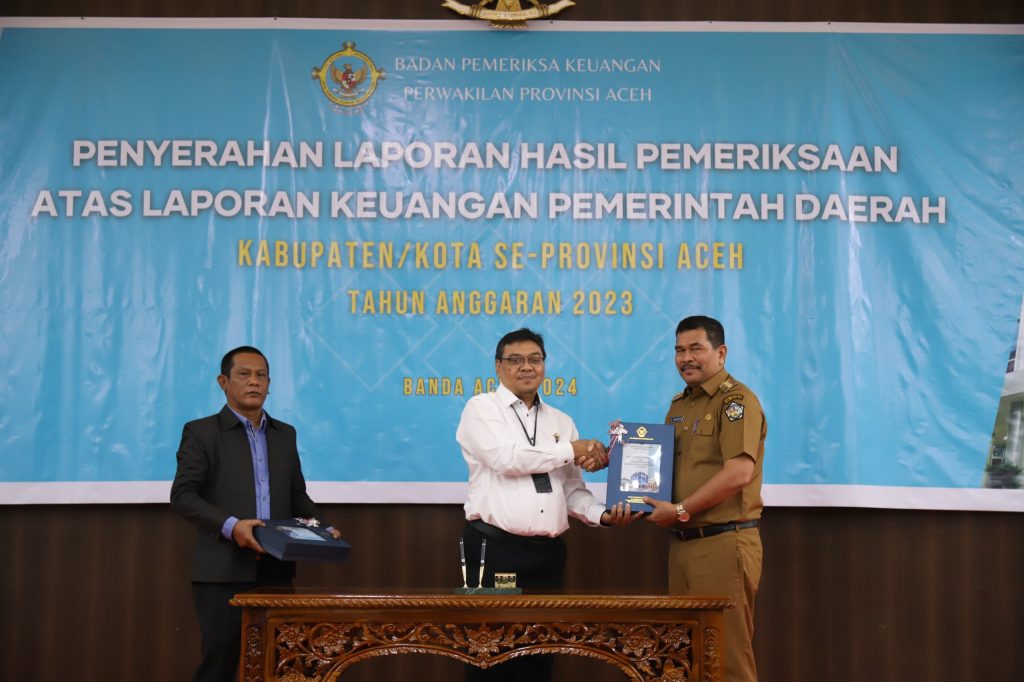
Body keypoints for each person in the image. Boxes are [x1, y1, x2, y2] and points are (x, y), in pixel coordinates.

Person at [456, 327, 638, 682]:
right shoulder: (481, 408)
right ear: (498, 367)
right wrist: (573, 449)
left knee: (540, 654)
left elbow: (570, 489)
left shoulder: (561, 421)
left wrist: (603, 515)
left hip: (547, 555)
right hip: (495, 550)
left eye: (535, 359)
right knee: (490, 654)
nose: (527, 367)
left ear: (544, 365)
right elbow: (507, 458)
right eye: (515, 360)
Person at [170, 346, 340, 682]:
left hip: (276, 568)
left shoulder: (285, 434)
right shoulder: (201, 432)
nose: (254, 382)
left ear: (269, 384)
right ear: (223, 382)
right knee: (219, 667)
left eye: (261, 376)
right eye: (244, 375)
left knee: (279, 664)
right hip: (222, 571)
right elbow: (183, 495)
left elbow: (296, 496)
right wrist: (233, 527)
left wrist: (323, 528)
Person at [641, 316, 767, 682]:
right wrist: (615, 460)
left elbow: (738, 473)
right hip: (683, 544)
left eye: (696, 348)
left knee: (726, 658)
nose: (686, 358)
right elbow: (663, 468)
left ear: (721, 353)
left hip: (723, 544)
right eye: (680, 350)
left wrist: (680, 509)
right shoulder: (680, 405)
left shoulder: (736, 402)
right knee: (686, 657)